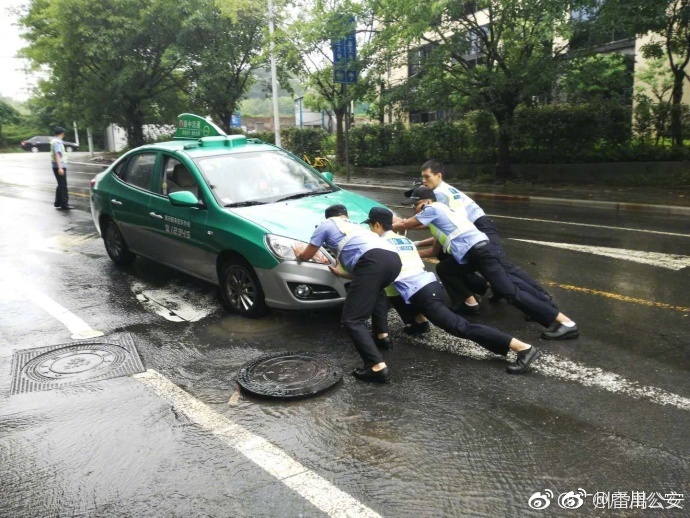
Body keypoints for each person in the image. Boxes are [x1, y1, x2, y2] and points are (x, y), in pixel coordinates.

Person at [365, 206, 541, 374]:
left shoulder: (380, 245)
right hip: (431, 285)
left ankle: (523, 348)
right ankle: (419, 323)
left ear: (377, 225)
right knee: (395, 292)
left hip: (424, 294)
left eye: (370, 225)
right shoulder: (403, 240)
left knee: (461, 327)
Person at [393, 187, 580, 340]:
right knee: (446, 268)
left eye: (415, 205)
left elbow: (406, 225)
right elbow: (419, 226)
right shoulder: (442, 212)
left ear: (425, 202)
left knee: (510, 292)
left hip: (481, 252)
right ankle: (469, 302)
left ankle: (565, 323)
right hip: (474, 253)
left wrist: (383, 225)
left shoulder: (432, 208)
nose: (414, 210)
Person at [413, 159, 554, 307]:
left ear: (439, 176)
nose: (424, 181)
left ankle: (543, 299)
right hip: (473, 229)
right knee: (454, 261)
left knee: (502, 266)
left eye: (427, 177)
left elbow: (432, 221)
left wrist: (403, 224)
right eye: (422, 177)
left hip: (479, 226)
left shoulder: (439, 194)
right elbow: (439, 226)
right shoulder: (442, 190)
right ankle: (492, 289)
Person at [293, 204, 402, 383]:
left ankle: (376, 366)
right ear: (346, 216)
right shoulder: (358, 228)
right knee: (377, 293)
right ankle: (383, 337)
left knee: (352, 319)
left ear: (329, 217)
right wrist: (343, 273)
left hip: (372, 261)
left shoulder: (326, 224)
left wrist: (299, 253)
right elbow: (365, 272)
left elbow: (306, 255)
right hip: (393, 260)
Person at [50, 126, 73, 210]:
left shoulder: (54, 141)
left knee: (60, 184)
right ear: (62, 133)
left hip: (57, 166)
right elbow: (57, 154)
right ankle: (64, 204)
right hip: (59, 166)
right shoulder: (57, 142)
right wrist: (60, 168)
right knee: (63, 185)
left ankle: (58, 202)